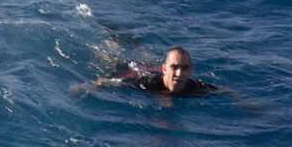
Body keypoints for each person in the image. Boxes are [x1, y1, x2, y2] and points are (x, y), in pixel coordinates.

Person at [79, 46, 220, 98]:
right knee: (116, 58)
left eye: (184, 68)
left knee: (144, 58)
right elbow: (112, 82)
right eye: (174, 67)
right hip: (132, 71)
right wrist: (86, 86)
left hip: (151, 69)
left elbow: (225, 90)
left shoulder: (194, 86)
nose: (179, 73)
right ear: (165, 68)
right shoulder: (148, 84)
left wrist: (242, 102)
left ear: (190, 71)